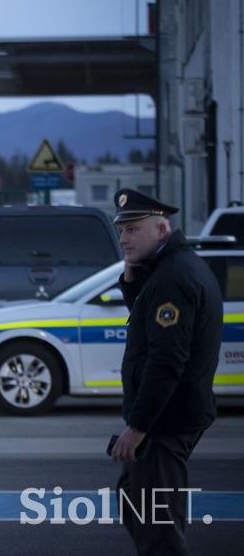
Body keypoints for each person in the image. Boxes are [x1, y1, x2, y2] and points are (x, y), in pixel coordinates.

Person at [109, 188, 222, 554]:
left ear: (160, 230)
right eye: (121, 230)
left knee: (155, 524)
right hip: (169, 417)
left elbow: (166, 362)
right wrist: (131, 280)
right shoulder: (169, 269)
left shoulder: (172, 278)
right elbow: (148, 321)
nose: (124, 238)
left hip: (165, 421)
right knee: (137, 502)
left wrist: (137, 428)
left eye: (133, 229)